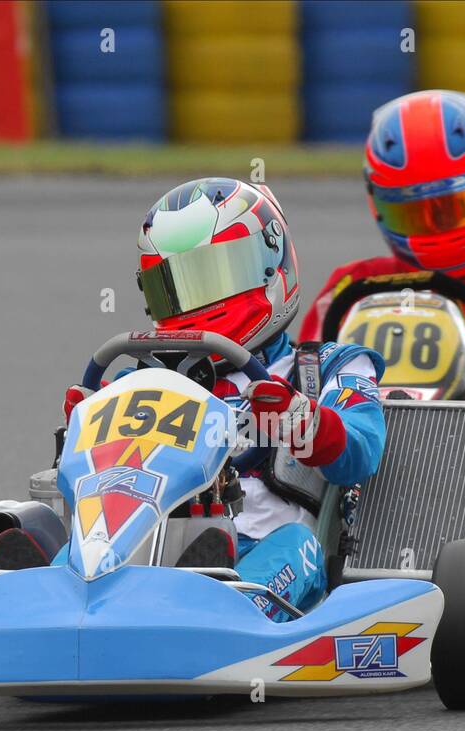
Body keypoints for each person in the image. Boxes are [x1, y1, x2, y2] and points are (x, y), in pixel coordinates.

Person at [58, 178, 385, 618]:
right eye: (179, 286)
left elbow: (362, 452)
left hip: (269, 547)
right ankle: (44, 595)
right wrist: (89, 425)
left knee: (295, 545)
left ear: (273, 267)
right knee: (54, 535)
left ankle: (230, 609)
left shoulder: (325, 367)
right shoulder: (145, 382)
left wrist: (302, 419)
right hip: (148, 540)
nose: (199, 304)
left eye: (216, 277)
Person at [296, 89, 465, 506]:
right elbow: (302, 369)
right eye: (416, 214)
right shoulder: (351, 288)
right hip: (364, 468)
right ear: (380, 207)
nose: (439, 227)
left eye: (457, 206)